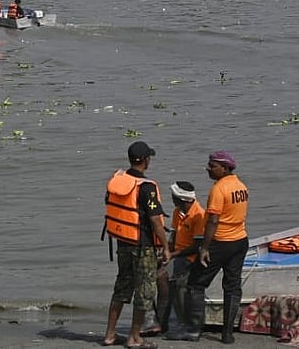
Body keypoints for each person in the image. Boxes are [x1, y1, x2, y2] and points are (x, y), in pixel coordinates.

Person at [102, 141, 171, 349]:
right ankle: (134, 337)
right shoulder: (147, 187)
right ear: (146, 160)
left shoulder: (117, 182)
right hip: (143, 247)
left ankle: (110, 335)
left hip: (123, 243)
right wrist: (166, 246)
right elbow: (155, 220)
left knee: (121, 289)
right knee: (145, 292)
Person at [187, 151, 249, 345]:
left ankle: (194, 331)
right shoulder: (241, 186)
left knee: (196, 284)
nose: (208, 168)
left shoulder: (219, 189)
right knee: (232, 286)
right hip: (240, 241)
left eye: (213, 165)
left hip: (220, 243)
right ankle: (227, 333)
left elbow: (213, 220)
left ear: (225, 168)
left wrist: (204, 248)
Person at [161, 181, 208, 341]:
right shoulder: (177, 212)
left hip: (190, 257)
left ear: (183, 199)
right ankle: (172, 321)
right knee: (170, 285)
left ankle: (186, 324)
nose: (172, 200)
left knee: (181, 289)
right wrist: (166, 249)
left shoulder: (199, 215)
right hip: (178, 255)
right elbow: (173, 235)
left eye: (174, 197)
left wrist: (174, 254)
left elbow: (197, 246)